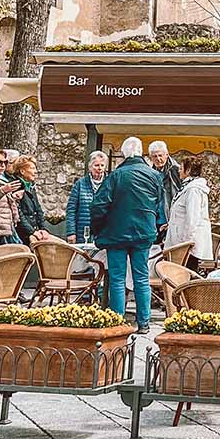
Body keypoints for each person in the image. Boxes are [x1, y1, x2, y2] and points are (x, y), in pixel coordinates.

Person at [90, 136, 166, 334]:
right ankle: (144, 322)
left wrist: (98, 228)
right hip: (143, 233)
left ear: (124, 153)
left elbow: (99, 205)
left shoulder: (116, 175)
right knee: (141, 278)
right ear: (141, 152)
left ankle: (117, 321)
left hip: (117, 233)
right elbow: (158, 203)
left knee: (117, 278)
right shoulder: (153, 175)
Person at [165, 157, 213, 264]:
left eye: (181, 168)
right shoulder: (188, 187)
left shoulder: (193, 190)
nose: (179, 170)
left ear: (188, 170)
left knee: (186, 274)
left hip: (188, 244)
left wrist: (186, 243)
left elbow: (192, 218)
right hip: (183, 240)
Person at [65, 151, 109, 244]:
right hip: (83, 232)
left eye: (102, 165)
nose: (99, 168)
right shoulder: (80, 184)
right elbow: (71, 209)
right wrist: (71, 232)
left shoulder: (110, 184)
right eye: (96, 165)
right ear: (90, 167)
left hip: (104, 233)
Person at [11, 155, 50, 246]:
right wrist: (32, 231)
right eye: (32, 168)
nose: (35, 171)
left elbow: (38, 209)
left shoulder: (31, 186)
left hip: (34, 232)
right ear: (22, 171)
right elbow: (18, 213)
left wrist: (44, 229)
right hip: (22, 235)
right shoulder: (15, 186)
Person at [147, 140, 182, 219]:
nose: (158, 159)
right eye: (155, 156)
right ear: (151, 158)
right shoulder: (151, 172)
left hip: (172, 215)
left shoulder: (176, 170)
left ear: (166, 155)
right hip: (157, 216)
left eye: (160, 155)